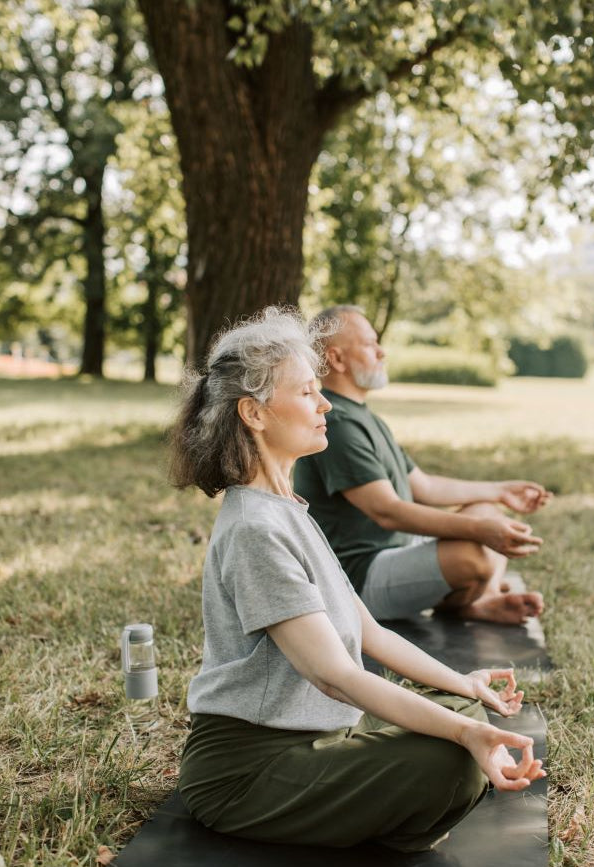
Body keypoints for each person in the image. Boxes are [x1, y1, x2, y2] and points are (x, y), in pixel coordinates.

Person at [169, 306, 545, 853]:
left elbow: (372, 633)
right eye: (306, 393)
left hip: (323, 735)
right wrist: (465, 735)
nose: (325, 405)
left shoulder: (287, 509)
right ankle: (386, 812)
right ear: (253, 413)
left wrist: (464, 686)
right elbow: (335, 676)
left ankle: (383, 801)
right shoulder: (254, 528)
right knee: (453, 758)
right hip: (248, 771)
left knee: (463, 710)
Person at [294, 305, 553, 625]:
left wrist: (500, 491)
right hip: (357, 579)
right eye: (369, 344)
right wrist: (479, 531)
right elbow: (386, 511)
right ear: (336, 359)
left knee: (488, 511)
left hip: (396, 552)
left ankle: (478, 601)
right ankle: (474, 598)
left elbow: (425, 487)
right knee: (475, 555)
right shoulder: (338, 424)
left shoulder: (364, 417)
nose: (381, 352)